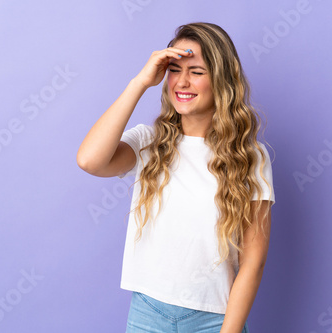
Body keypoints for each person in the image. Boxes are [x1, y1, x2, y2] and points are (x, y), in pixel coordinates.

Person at [77, 22, 275, 333]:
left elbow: (253, 261)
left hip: (214, 320)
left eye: (196, 71)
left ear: (221, 80)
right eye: (174, 69)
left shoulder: (250, 158)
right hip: (147, 314)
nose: (182, 82)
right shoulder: (148, 142)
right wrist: (140, 82)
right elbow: (89, 160)